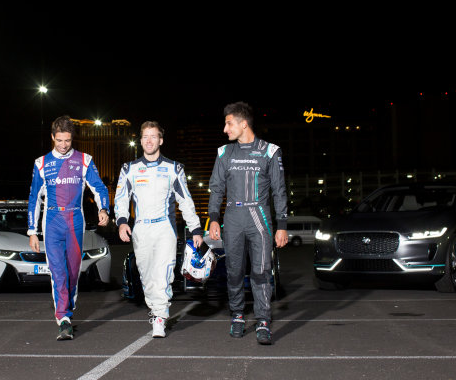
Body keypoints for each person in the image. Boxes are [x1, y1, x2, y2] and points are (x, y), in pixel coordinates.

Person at [208, 101, 288, 345]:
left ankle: (263, 320)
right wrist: (213, 218)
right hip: (232, 218)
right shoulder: (224, 153)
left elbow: (279, 190)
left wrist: (282, 224)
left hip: (259, 218)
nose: (225, 129)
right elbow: (216, 188)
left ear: (244, 124)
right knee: (233, 271)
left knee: (261, 271)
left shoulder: (270, 151)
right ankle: (238, 315)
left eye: (229, 123)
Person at [115, 121, 203, 338]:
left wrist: (196, 229)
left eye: (153, 136)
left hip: (165, 228)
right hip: (141, 229)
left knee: (163, 274)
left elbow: (185, 200)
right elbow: (121, 199)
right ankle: (155, 309)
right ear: (140, 140)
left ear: (161, 140)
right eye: (145, 136)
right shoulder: (129, 169)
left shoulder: (174, 168)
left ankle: (160, 316)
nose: (149, 140)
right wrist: (122, 221)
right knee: (146, 275)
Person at [27, 115, 110, 341]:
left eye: (68, 141)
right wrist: (32, 231)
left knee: (73, 272)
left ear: (72, 138)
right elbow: (34, 198)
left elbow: (99, 188)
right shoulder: (41, 163)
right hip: (52, 220)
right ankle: (63, 318)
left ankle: (68, 307)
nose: (63, 145)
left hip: (75, 220)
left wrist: (104, 210)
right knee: (58, 272)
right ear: (52, 137)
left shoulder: (84, 160)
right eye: (59, 140)